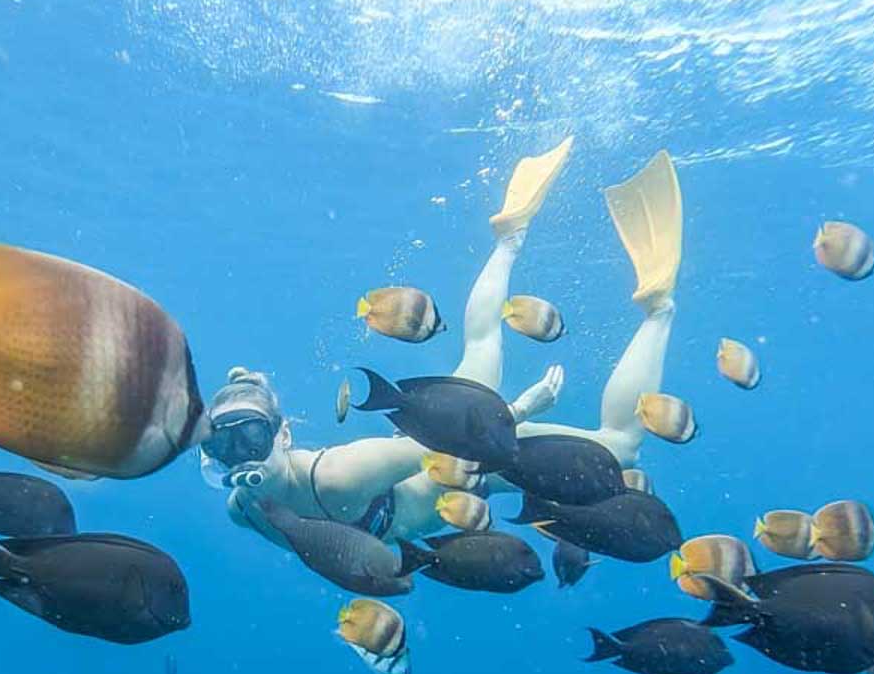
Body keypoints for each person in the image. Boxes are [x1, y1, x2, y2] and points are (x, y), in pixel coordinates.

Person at [201, 137, 682, 550]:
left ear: (282, 434)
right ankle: (509, 238)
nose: (242, 454)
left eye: (252, 436)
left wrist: (518, 411)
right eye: (225, 444)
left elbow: (444, 443)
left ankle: (656, 308)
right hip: (444, 466)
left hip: (466, 453)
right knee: (478, 354)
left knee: (622, 449)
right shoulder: (240, 509)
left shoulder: (336, 475)